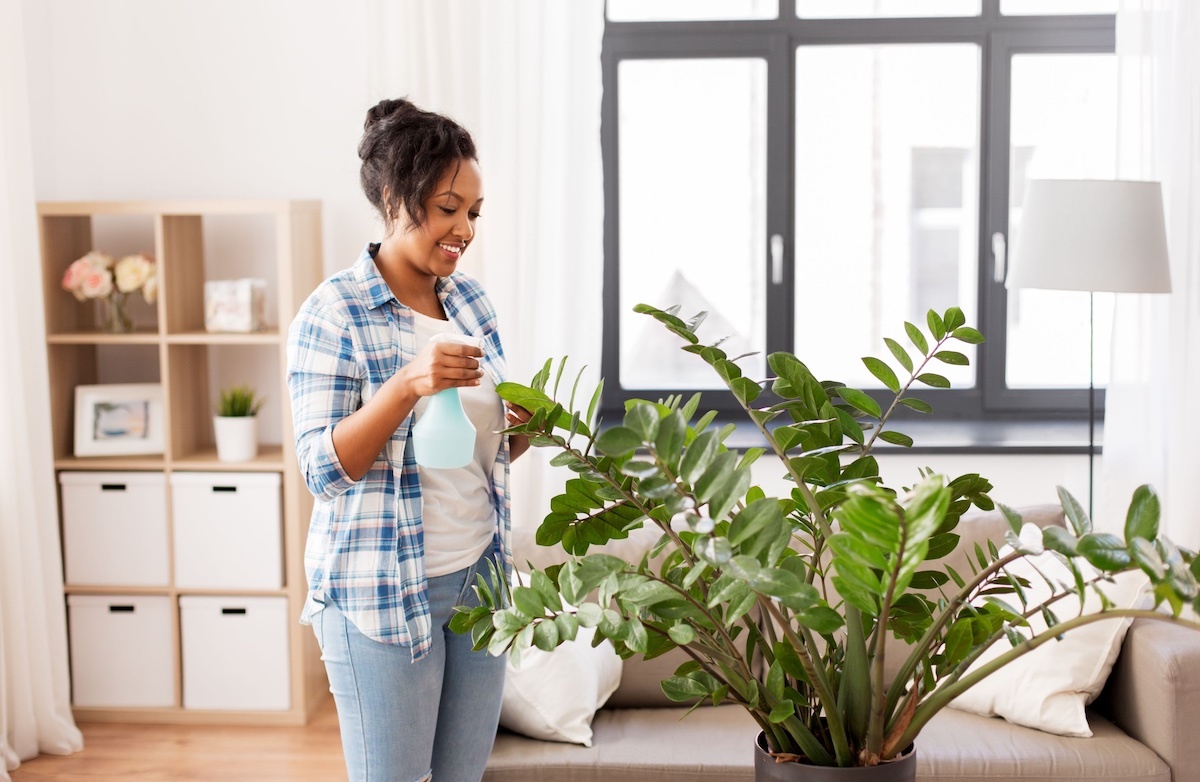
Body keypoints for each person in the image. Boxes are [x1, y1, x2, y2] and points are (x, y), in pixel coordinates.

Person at [286, 97, 531, 782]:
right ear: (396, 197)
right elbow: (323, 471)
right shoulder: (332, 314)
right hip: (380, 592)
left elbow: (478, 459)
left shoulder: (472, 304)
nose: (464, 230)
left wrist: (523, 435)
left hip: (478, 579)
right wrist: (405, 384)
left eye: (474, 213)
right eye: (449, 208)